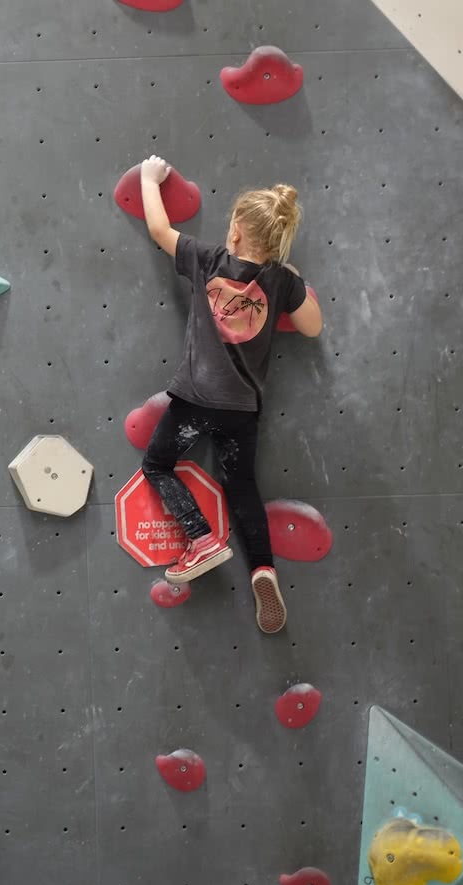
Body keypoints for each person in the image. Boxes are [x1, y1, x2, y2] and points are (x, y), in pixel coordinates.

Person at [136, 156, 322, 634]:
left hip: (196, 398)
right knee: (241, 486)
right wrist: (295, 279)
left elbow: (159, 229)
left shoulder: (208, 259)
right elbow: (312, 326)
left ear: (236, 230)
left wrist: (148, 178)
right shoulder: (281, 282)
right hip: (242, 408)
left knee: (157, 465)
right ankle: (262, 568)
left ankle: (200, 538)